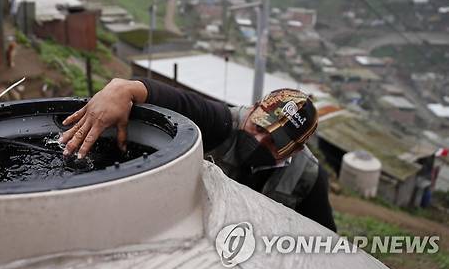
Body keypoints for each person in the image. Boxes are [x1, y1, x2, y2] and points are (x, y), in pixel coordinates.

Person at [59, 77, 336, 232]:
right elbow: (178, 101)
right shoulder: (222, 123)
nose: (259, 140)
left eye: (275, 142)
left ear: (297, 149)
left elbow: (325, 240)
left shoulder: (308, 178)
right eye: (259, 126)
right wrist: (120, 90)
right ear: (253, 109)